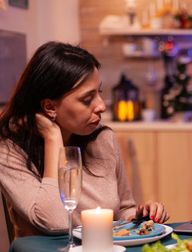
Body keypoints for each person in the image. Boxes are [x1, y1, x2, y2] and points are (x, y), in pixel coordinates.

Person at [0, 41, 169, 238]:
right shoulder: (9, 152)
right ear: (49, 107)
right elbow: (56, 223)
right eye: (87, 99)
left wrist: (141, 216)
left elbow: (123, 210)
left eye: (100, 92)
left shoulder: (103, 139)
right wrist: (53, 139)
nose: (101, 106)